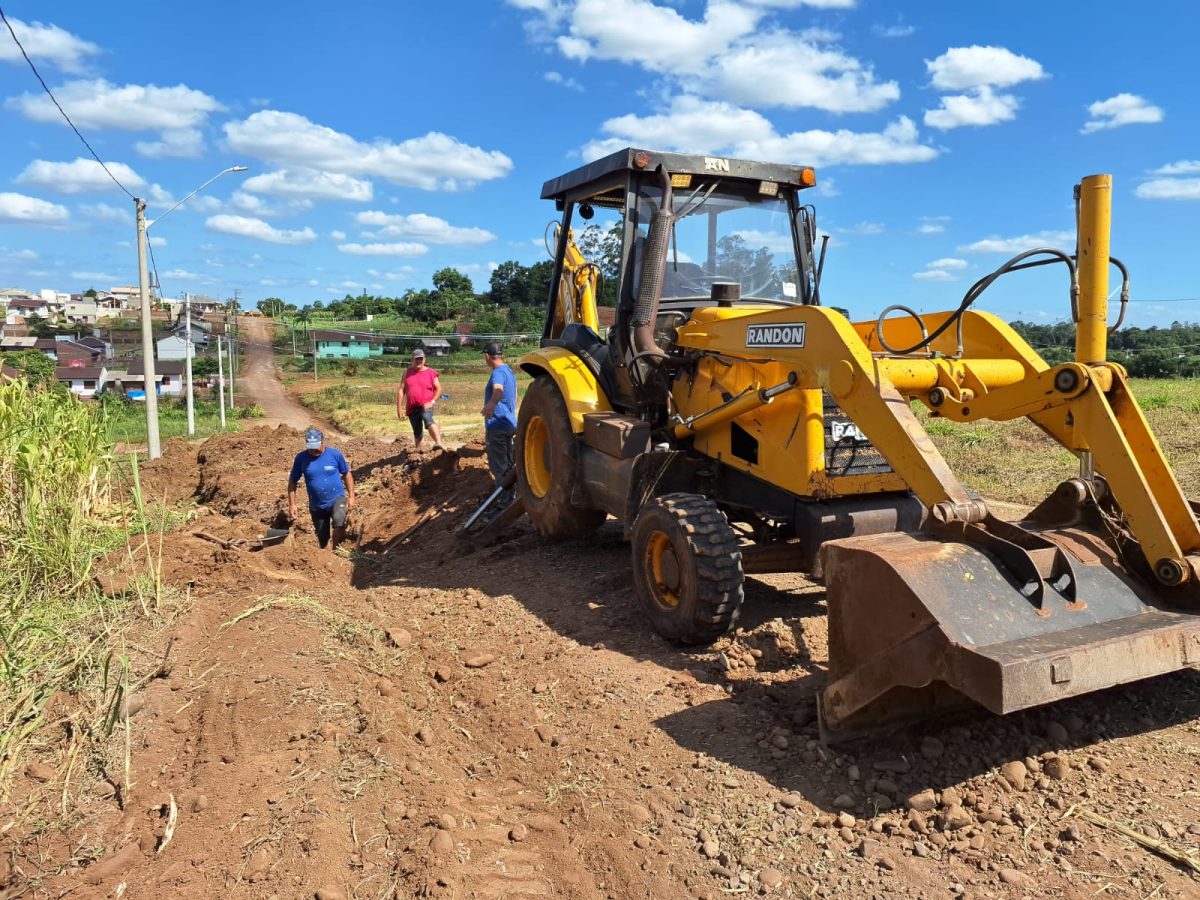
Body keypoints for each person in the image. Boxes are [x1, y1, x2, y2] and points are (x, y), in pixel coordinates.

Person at [287, 427, 355, 553]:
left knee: (339, 522)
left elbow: (347, 474)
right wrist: (292, 504)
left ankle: (336, 550)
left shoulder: (335, 454)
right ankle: (327, 554)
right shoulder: (301, 458)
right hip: (317, 505)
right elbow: (292, 481)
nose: (313, 449)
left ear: (323, 442)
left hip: (337, 498)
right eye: (310, 446)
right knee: (323, 541)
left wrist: (351, 496)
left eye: (316, 445)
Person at [480, 341, 518, 506]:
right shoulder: (509, 371)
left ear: (487, 356)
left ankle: (503, 505)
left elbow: (498, 390)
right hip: (509, 423)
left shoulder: (498, 373)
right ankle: (511, 498)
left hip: (497, 426)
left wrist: (490, 404)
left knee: (499, 468)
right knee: (508, 465)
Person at [399, 348, 444, 450]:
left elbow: (438, 389)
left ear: (424, 359)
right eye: (416, 359)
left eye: (421, 359)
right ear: (412, 360)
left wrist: (432, 401)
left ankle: (439, 444)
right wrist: (399, 408)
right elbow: (401, 390)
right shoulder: (407, 372)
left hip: (426, 405)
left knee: (428, 419)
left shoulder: (431, 372)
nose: (419, 361)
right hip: (412, 407)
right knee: (417, 432)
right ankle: (419, 454)